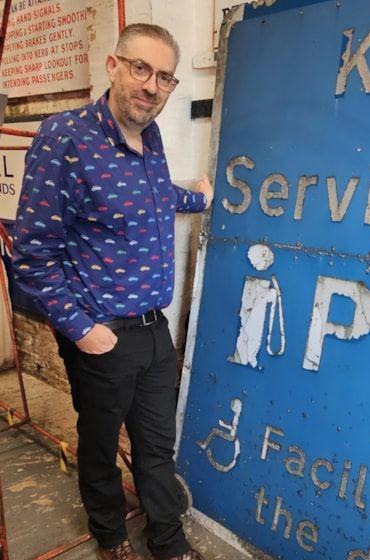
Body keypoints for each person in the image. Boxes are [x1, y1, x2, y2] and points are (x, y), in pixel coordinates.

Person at [11, 23, 213, 560]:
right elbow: (32, 256)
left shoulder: (151, 140)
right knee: (100, 449)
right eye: (141, 68)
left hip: (153, 329)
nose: (151, 86)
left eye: (165, 77)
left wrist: (198, 199)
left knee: (155, 449)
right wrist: (83, 332)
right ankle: (110, 538)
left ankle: (168, 542)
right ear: (114, 66)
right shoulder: (64, 138)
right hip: (101, 337)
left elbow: (150, 198)